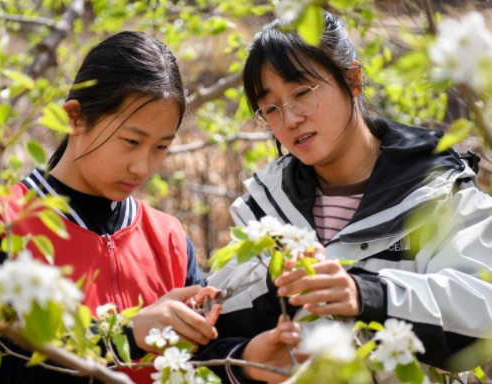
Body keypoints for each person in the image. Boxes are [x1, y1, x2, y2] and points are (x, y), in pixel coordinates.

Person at [196, 13, 492, 383]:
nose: (289, 119)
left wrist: (366, 294)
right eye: (270, 108)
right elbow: (212, 344)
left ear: (353, 79)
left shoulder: (437, 187)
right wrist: (247, 359)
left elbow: (483, 305)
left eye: (302, 92)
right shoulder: (264, 214)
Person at [0, 31, 220, 384]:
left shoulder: (168, 238)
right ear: (75, 118)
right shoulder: (0, 223)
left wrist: (247, 357)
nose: (143, 167)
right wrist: (123, 336)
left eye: (161, 147)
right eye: (132, 141)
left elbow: (202, 361)